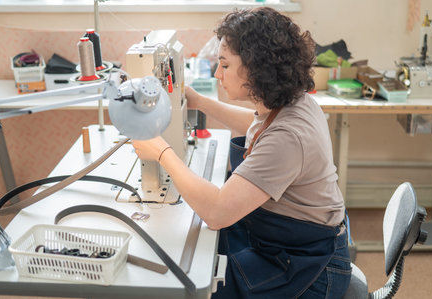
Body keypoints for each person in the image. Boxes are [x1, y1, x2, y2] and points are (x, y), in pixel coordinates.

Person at [132, 7, 351, 299]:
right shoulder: (291, 102)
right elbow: (257, 127)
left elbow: (216, 213)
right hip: (288, 241)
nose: (216, 73)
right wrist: (202, 103)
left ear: (255, 68)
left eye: (224, 65)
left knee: (194, 283)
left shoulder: (288, 138)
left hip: (309, 267)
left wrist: (161, 152)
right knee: (200, 253)